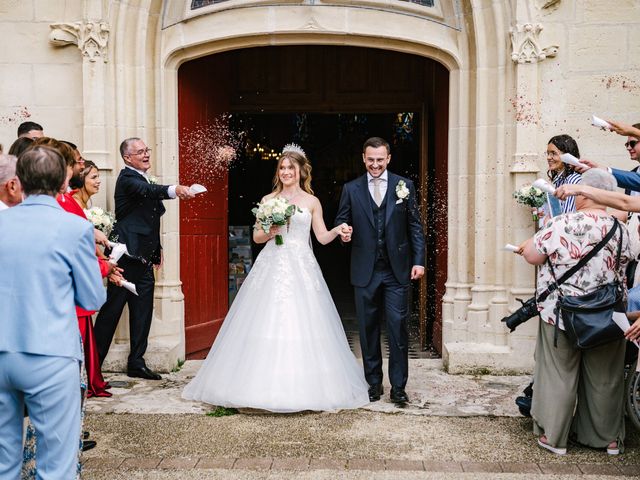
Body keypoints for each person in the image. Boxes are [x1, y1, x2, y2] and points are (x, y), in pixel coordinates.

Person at [183, 145, 369, 412]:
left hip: (303, 266)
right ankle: (254, 388)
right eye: (282, 168)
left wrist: (338, 230)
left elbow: (321, 238)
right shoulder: (269, 199)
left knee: (305, 322)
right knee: (265, 318)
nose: (285, 172)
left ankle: (306, 389)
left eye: (290, 168)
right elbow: (257, 236)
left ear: (300, 171)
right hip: (273, 262)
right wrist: (273, 229)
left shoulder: (311, 202)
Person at [0, 146, 105, 479]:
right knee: (56, 465)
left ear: (20, 181)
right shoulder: (74, 229)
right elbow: (92, 297)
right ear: (64, 179)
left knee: (3, 463)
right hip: (50, 353)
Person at [519, 169, 631, 456]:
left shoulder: (561, 223)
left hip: (561, 312)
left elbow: (533, 255)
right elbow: (627, 261)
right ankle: (606, 439)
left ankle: (554, 437)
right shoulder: (620, 228)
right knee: (605, 376)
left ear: (583, 193)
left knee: (558, 373)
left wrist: (527, 247)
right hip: (607, 315)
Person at [94, 137, 195, 380]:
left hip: (144, 256)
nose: (146, 154)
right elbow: (151, 191)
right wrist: (175, 190)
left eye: (147, 150)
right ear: (128, 158)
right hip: (125, 257)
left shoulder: (141, 178)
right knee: (112, 311)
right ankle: (92, 364)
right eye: (140, 152)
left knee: (143, 311)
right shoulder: (128, 179)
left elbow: (150, 219)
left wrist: (157, 248)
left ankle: (137, 362)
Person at [335, 137, 425, 404]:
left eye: (380, 160)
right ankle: (373, 383)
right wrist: (344, 232)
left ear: (388, 159)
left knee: (398, 328)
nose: (375, 165)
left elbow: (415, 228)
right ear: (363, 158)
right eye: (370, 159)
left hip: (397, 270)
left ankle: (398, 387)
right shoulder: (351, 189)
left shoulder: (404, 186)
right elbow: (342, 220)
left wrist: (418, 261)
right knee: (368, 328)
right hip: (365, 270)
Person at [58, 160, 120, 397]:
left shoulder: (76, 204)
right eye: (92, 176)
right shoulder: (66, 203)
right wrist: (104, 267)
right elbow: (77, 247)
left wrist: (105, 265)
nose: (98, 181)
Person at [546, 134, 582, 214]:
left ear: (567, 156)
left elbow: (568, 216)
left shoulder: (573, 180)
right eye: (548, 153)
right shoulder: (561, 179)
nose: (548, 157)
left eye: (553, 153)